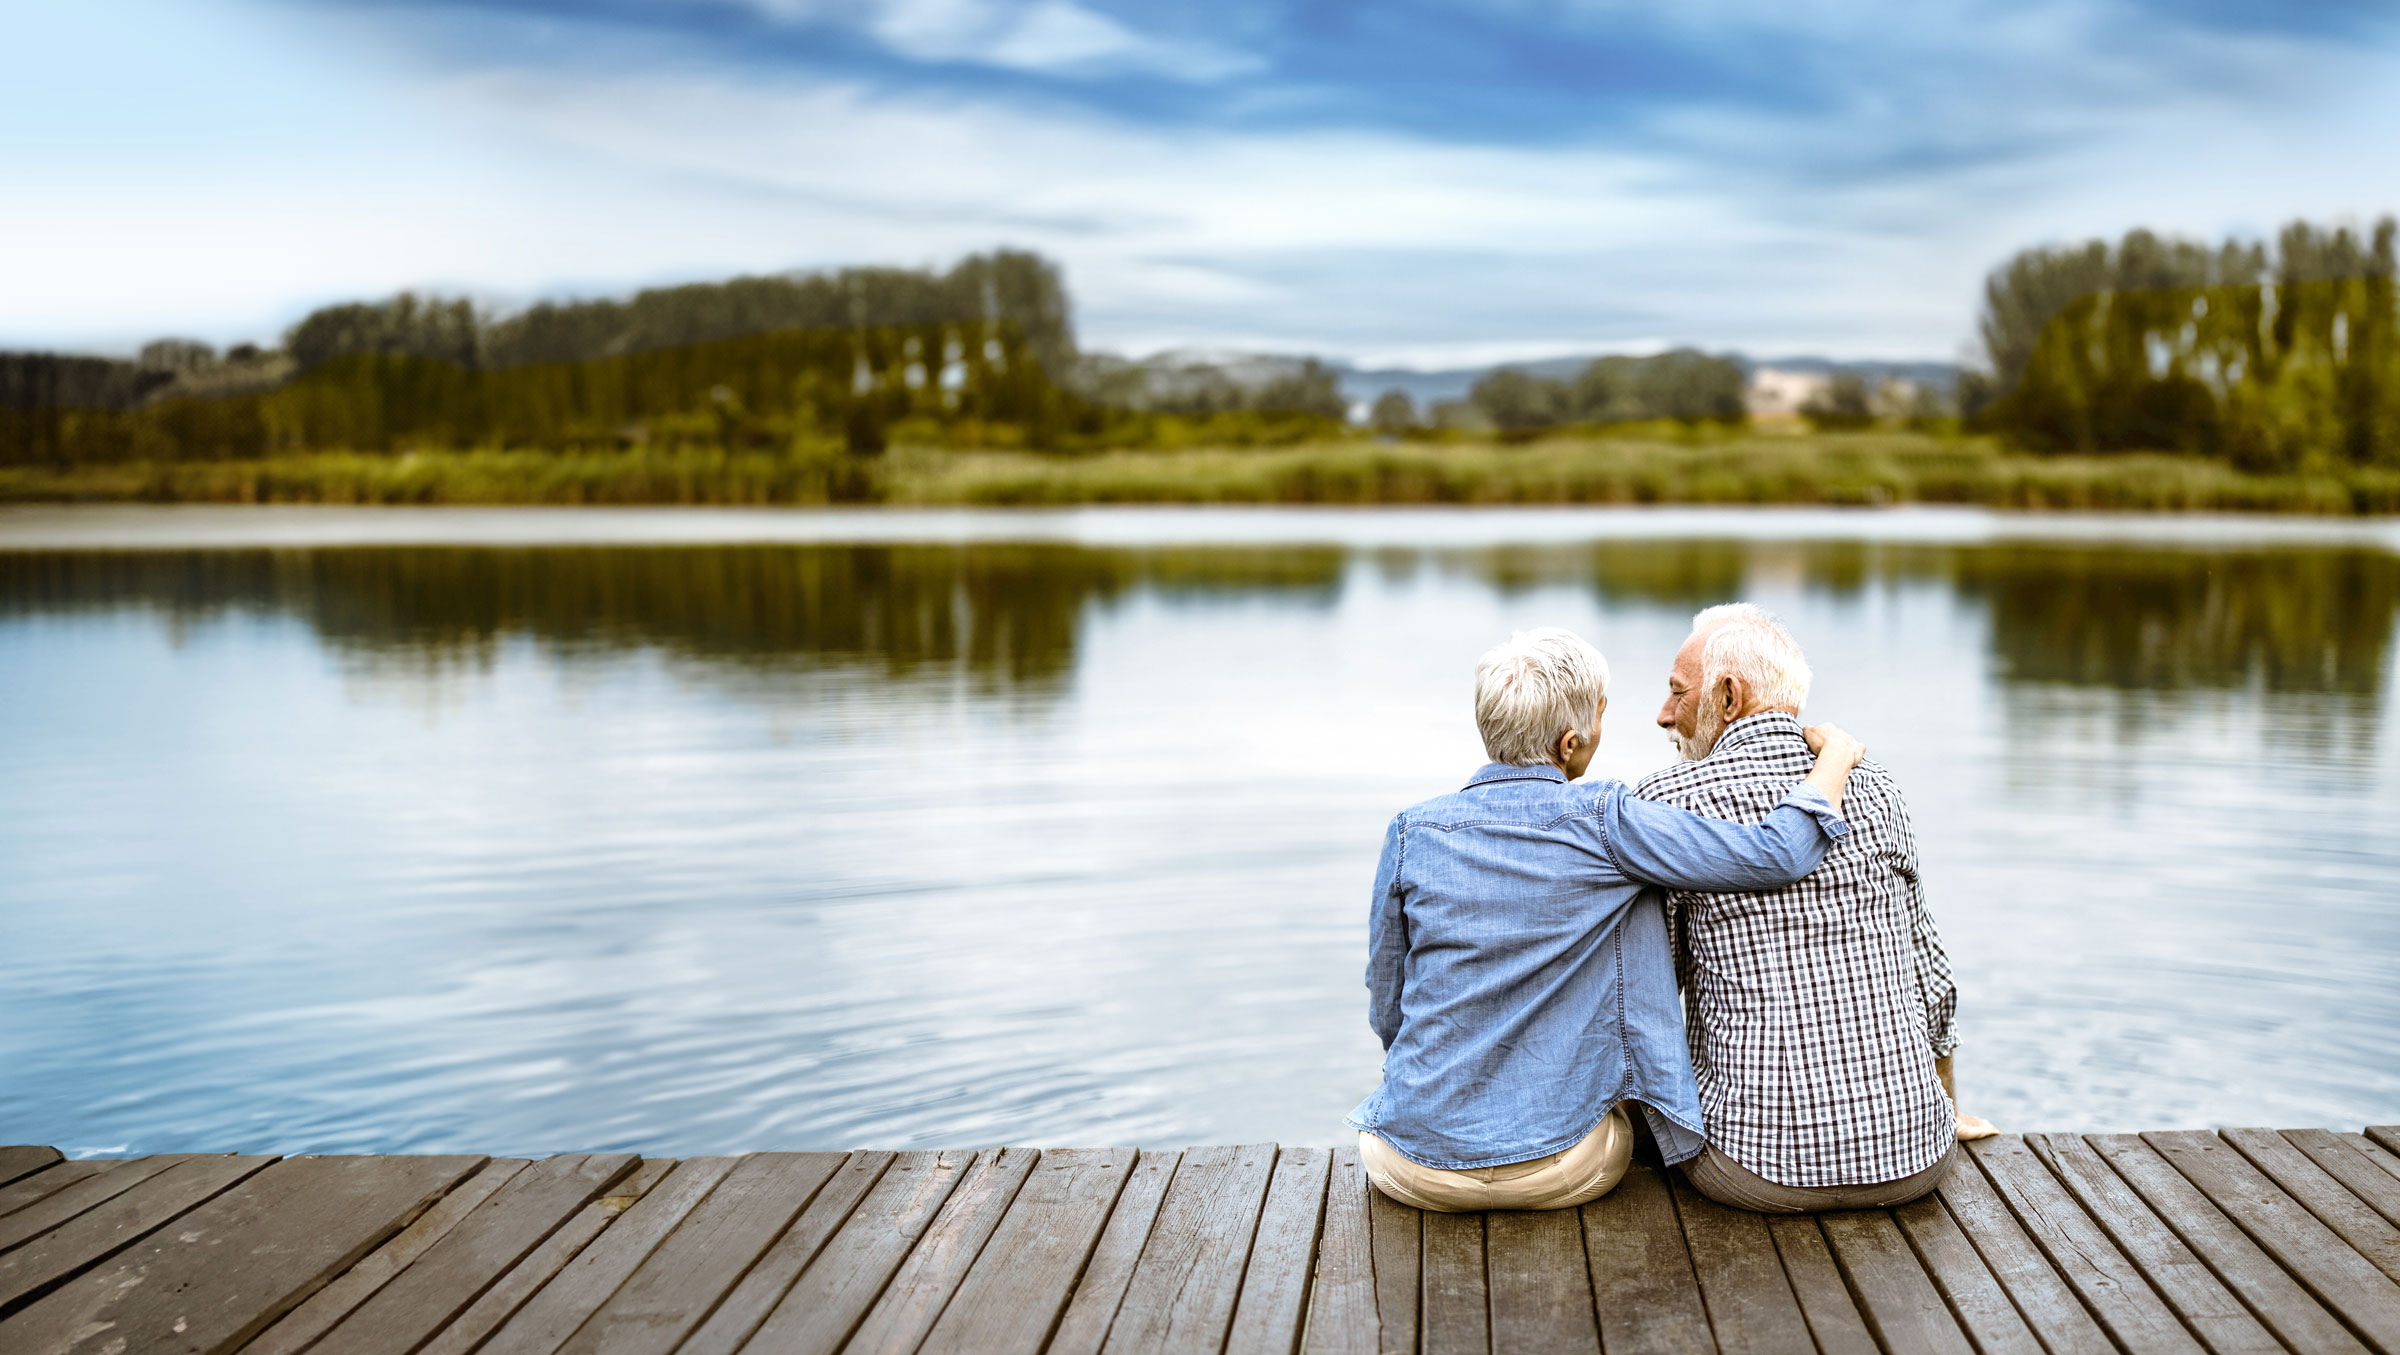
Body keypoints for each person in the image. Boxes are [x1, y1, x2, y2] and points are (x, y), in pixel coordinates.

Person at [1350, 627, 1870, 1212]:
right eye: (1601, 716)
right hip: (1555, 1168)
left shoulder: (1410, 832)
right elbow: (1779, 854)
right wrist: (1834, 760)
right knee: (1638, 885)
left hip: (1408, 1166)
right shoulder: (1609, 820)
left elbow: (1387, 1002)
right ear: (1571, 743)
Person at [1638, 602, 1991, 1215]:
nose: (1664, 714)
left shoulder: (1664, 802)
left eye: (1677, 693)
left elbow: (1643, 998)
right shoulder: (1876, 787)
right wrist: (1943, 1108)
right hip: (1914, 1160)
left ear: (1727, 697)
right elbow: (1931, 978)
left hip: (1751, 1169)